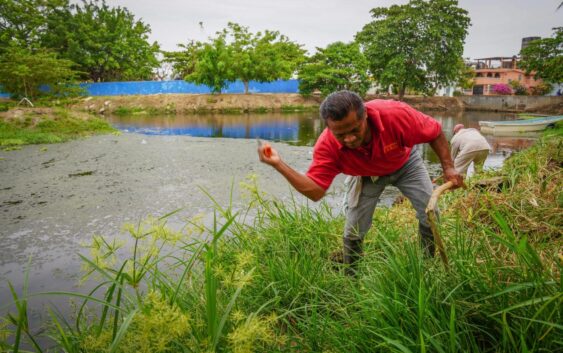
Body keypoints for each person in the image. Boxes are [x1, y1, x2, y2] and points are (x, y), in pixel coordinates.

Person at [257, 91, 463, 273]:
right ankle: (352, 275)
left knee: (430, 213)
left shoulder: (395, 114)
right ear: (328, 127)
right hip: (366, 174)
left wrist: (448, 167)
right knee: (354, 228)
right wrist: (278, 164)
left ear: (365, 115)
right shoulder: (326, 146)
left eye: (354, 130)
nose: (349, 139)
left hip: (405, 163)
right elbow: (315, 192)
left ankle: (426, 263)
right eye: (340, 134)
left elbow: (435, 132)